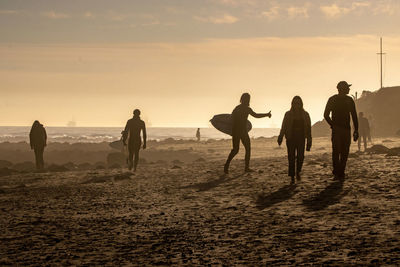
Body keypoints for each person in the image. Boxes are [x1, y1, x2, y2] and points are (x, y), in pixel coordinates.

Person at [224, 93, 271, 174]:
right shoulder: (246, 109)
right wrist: (266, 114)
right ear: (245, 99)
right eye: (247, 99)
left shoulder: (238, 108)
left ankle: (228, 166)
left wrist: (231, 130)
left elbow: (231, 119)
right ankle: (242, 167)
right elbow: (256, 115)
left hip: (238, 131)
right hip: (241, 131)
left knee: (237, 149)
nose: (247, 100)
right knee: (244, 149)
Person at [324, 81, 359, 180]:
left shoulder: (334, 99)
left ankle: (339, 171)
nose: (349, 89)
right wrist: (356, 130)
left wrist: (332, 125)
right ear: (342, 89)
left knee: (339, 151)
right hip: (342, 129)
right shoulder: (347, 100)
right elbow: (354, 116)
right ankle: (339, 171)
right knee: (342, 151)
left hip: (341, 129)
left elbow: (326, 115)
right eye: (347, 87)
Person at [277, 96, 312, 184]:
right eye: (295, 103)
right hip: (291, 138)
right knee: (291, 157)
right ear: (292, 104)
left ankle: (298, 171)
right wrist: (280, 136)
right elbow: (284, 126)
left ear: (301, 104)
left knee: (301, 156)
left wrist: (309, 141)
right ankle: (292, 176)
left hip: (301, 137)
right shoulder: (288, 114)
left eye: (298, 103)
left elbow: (308, 129)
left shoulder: (305, 114)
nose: (297, 105)